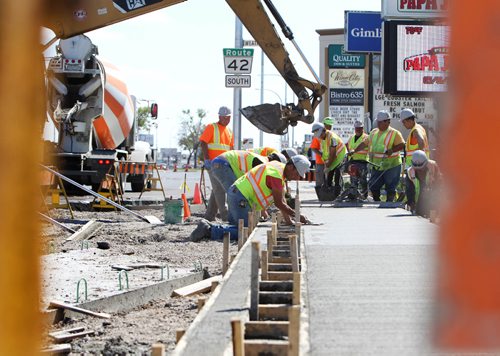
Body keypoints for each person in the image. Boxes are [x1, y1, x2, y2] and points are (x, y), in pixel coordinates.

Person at [226, 155, 312, 226]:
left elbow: (282, 200)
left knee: (236, 227)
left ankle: (218, 230)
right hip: (239, 196)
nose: (296, 178)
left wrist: (289, 221)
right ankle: (213, 231)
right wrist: (297, 216)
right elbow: (279, 203)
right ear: (290, 167)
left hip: (237, 194)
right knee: (243, 230)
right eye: (297, 174)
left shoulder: (279, 168)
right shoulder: (276, 175)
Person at [354, 110, 405, 202]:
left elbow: (402, 145)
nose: (378, 124)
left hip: (391, 165)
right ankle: (377, 201)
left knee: (390, 186)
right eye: (378, 122)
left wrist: (392, 150)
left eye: (380, 122)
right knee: (373, 185)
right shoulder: (374, 132)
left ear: (387, 122)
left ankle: (389, 203)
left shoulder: (395, 133)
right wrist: (354, 150)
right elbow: (365, 143)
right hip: (377, 165)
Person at [199, 106, 234, 221]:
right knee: (219, 189)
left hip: (224, 165)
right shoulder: (211, 127)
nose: (226, 120)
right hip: (213, 164)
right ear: (219, 117)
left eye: (228, 118)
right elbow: (203, 143)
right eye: (224, 118)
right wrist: (207, 159)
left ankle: (209, 215)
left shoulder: (229, 131)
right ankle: (225, 215)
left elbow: (231, 149)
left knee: (217, 189)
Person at [311, 121, 347, 198]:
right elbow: (326, 152)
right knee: (329, 177)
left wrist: (328, 165)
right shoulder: (323, 138)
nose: (319, 137)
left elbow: (333, 154)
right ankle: (330, 193)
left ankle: (338, 194)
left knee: (337, 173)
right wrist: (326, 164)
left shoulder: (332, 138)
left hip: (340, 157)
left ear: (324, 131)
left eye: (320, 135)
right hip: (333, 159)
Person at [405, 150, 441, 217]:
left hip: (432, 196)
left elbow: (439, 184)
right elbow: (409, 190)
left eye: (421, 168)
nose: (419, 170)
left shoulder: (433, 166)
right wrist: (411, 203)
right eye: (417, 169)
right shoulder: (410, 172)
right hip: (419, 198)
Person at [346, 120, 369, 199]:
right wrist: (349, 152)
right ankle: (354, 195)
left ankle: (364, 195)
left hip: (362, 161)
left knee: (362, 179)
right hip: (353, 161)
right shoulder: (352, 137)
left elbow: (365, 146)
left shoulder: (366, 137)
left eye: (360, 128)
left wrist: (354, 151)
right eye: (357, 128)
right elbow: (348, 145)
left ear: (362, 128)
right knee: (353, 179)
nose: (358, 130)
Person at [310, 117, 333, 189]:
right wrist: (321, 154)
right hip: (320, 162)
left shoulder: (331, 135)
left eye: (330, 126)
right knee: (320, 179)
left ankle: (328, 193)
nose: (329, 127)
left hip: (330, 161)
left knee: (330, 179)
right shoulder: (317, 137)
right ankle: (320, 192)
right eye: (327, 125)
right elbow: (313, 148)